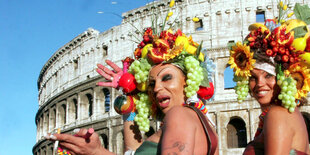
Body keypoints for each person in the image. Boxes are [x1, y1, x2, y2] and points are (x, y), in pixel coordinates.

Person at [45, 17, 219, 154]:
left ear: (187, 81)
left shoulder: (179, 115)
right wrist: (96, 151)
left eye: (166, 78)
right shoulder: (195, 120)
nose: (157, 88)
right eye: (151, 83)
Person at [228, 2, 310, 154]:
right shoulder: (288, 114)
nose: (259, 83)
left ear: (284, 78)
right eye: (253, 77)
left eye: (268, 75)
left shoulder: (277, 114)